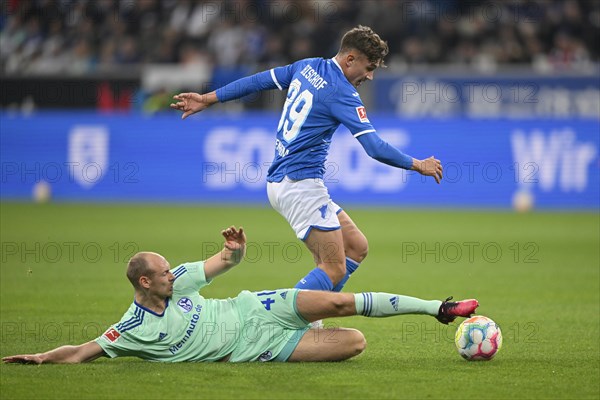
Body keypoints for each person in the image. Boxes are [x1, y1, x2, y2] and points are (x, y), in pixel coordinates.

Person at [170, 26, 444, 295]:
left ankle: (314, 321)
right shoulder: (342, 93)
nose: (370, 76)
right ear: (350, 59)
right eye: (369, 67)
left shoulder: (308, 66)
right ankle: (278, 320)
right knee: (333, 269)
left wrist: (208, 98)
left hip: (286, 181)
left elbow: (258, 81)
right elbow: (374, 147)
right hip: (299, 185)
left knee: (356, 247)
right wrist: (418, 164)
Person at [2, 226, 478, 364]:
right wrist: (43, 357)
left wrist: (234, 251)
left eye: (171, 269)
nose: (173, 274)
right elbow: (84, 350)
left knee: (337, 302)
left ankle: (439, 308)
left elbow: (222, 264)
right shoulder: (132, 330)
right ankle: (317, 300)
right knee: (354, 341)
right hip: (256, 348)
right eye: (164, 272)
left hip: (254, 306)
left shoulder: (182, 279)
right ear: (144, 283)